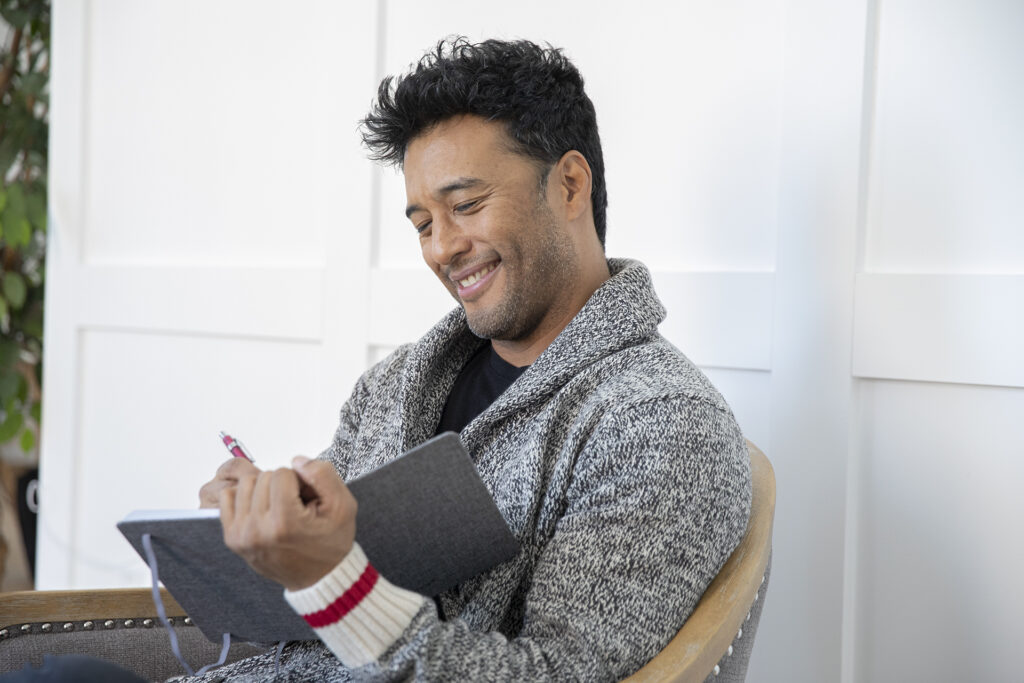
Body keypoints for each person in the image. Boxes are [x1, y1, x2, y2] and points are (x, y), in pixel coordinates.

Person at [193, 37, 752, 682]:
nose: (441, 249)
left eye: (465, 205)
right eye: (423, 223)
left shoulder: (661, 424)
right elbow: (305, 601)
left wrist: (333, 582)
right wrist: (263, 531)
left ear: (570, 185)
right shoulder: (393, 384)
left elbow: (554, 675)